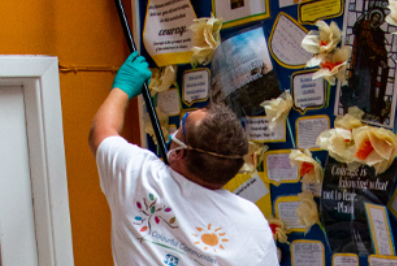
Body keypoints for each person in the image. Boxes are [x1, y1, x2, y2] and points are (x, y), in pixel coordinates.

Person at [90, 52, 279, 266]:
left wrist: (123, 87)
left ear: (178, 153)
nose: (179, 126)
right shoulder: (251, 223)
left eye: (184, 122)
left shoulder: (138, 175)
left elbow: (101, 132)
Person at [346, 8, 390, 120]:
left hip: (372, 62)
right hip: (361, 59)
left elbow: (381, 48)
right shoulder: (364, 26)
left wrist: (381, 58)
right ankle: (358, 107)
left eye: (378, 18)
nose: (376, 19)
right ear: (371, 16)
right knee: (359, 82)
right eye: (375, 16)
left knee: (369, 84)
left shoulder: (379, 33)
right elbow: (355, 30)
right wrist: (359, 20)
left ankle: (367, 108)